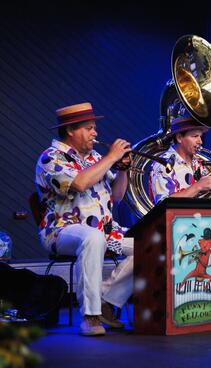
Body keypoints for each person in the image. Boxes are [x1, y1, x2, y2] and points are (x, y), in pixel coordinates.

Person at [35, 102, 134, 336]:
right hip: (61, 230)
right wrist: (111, 157)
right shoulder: (50, 158)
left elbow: (117, 196)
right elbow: (79, 183)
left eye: (94, 128)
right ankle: (90, 316)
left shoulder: (95, 158)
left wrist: (123, 169)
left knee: (154, 247)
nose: (95, 133)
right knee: (92, 237)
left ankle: (106, 298)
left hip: (106, 231)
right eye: (89, 128)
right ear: (71, 130)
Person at [148, 116, 211, 203]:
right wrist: (198, 186)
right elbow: (162, 203)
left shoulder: (200, 161)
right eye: (195, 136)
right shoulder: (163, 165)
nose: (200, 141)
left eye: (200, 136)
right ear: (179, 138)